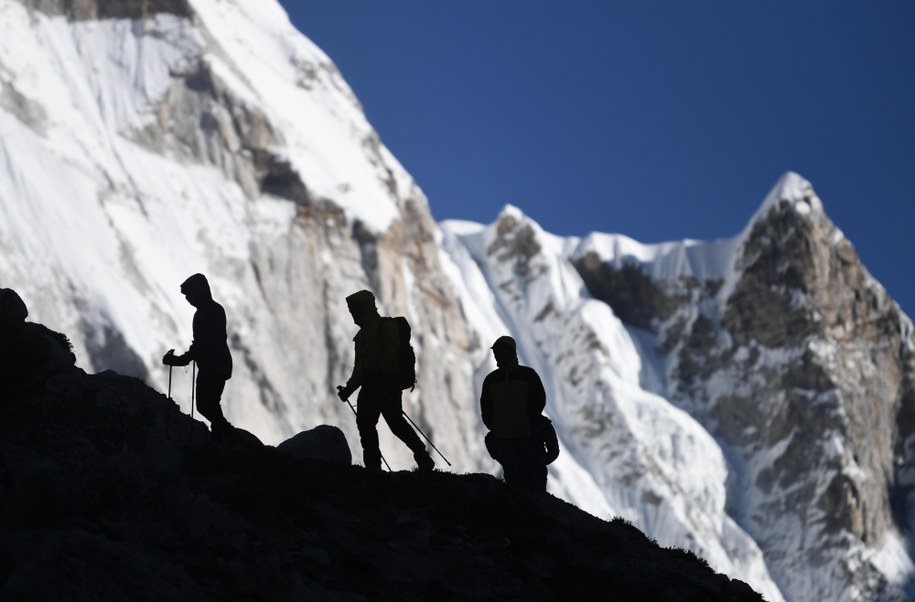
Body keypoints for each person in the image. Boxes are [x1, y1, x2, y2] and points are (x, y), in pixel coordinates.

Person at [336, 290, 434, 472]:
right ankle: (376, 466)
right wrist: (348, 390)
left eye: (354, 310)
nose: (353, 314)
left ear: (364, 309)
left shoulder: (383, 327)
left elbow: (391, 352)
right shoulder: (367, 333)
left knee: (389, 424)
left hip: (385, 384)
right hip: (378, 384)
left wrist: (376, 373)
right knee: (371, 423)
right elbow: (360, 368)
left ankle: (419, 457)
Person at [162, 273, 233, 436]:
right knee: (209, 404)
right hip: (216, 366)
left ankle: (223, 431)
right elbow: (203, 343)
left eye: (189, 295)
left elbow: (204, 343)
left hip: (213, 367)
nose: (188, 299)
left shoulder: (207, 312)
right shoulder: (212, 310)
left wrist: (180, 360)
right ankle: (222, 431)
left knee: (206, 404)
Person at [480, 335, 548, 492]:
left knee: (525, 481)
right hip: (517, 437)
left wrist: (496, 427)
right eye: (496, 352)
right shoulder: (527, 375)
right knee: (522, 481)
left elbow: (486, 410)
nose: (497, 355)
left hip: (518, 437)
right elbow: (539, 401)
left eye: (500, 351)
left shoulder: (492, 380)